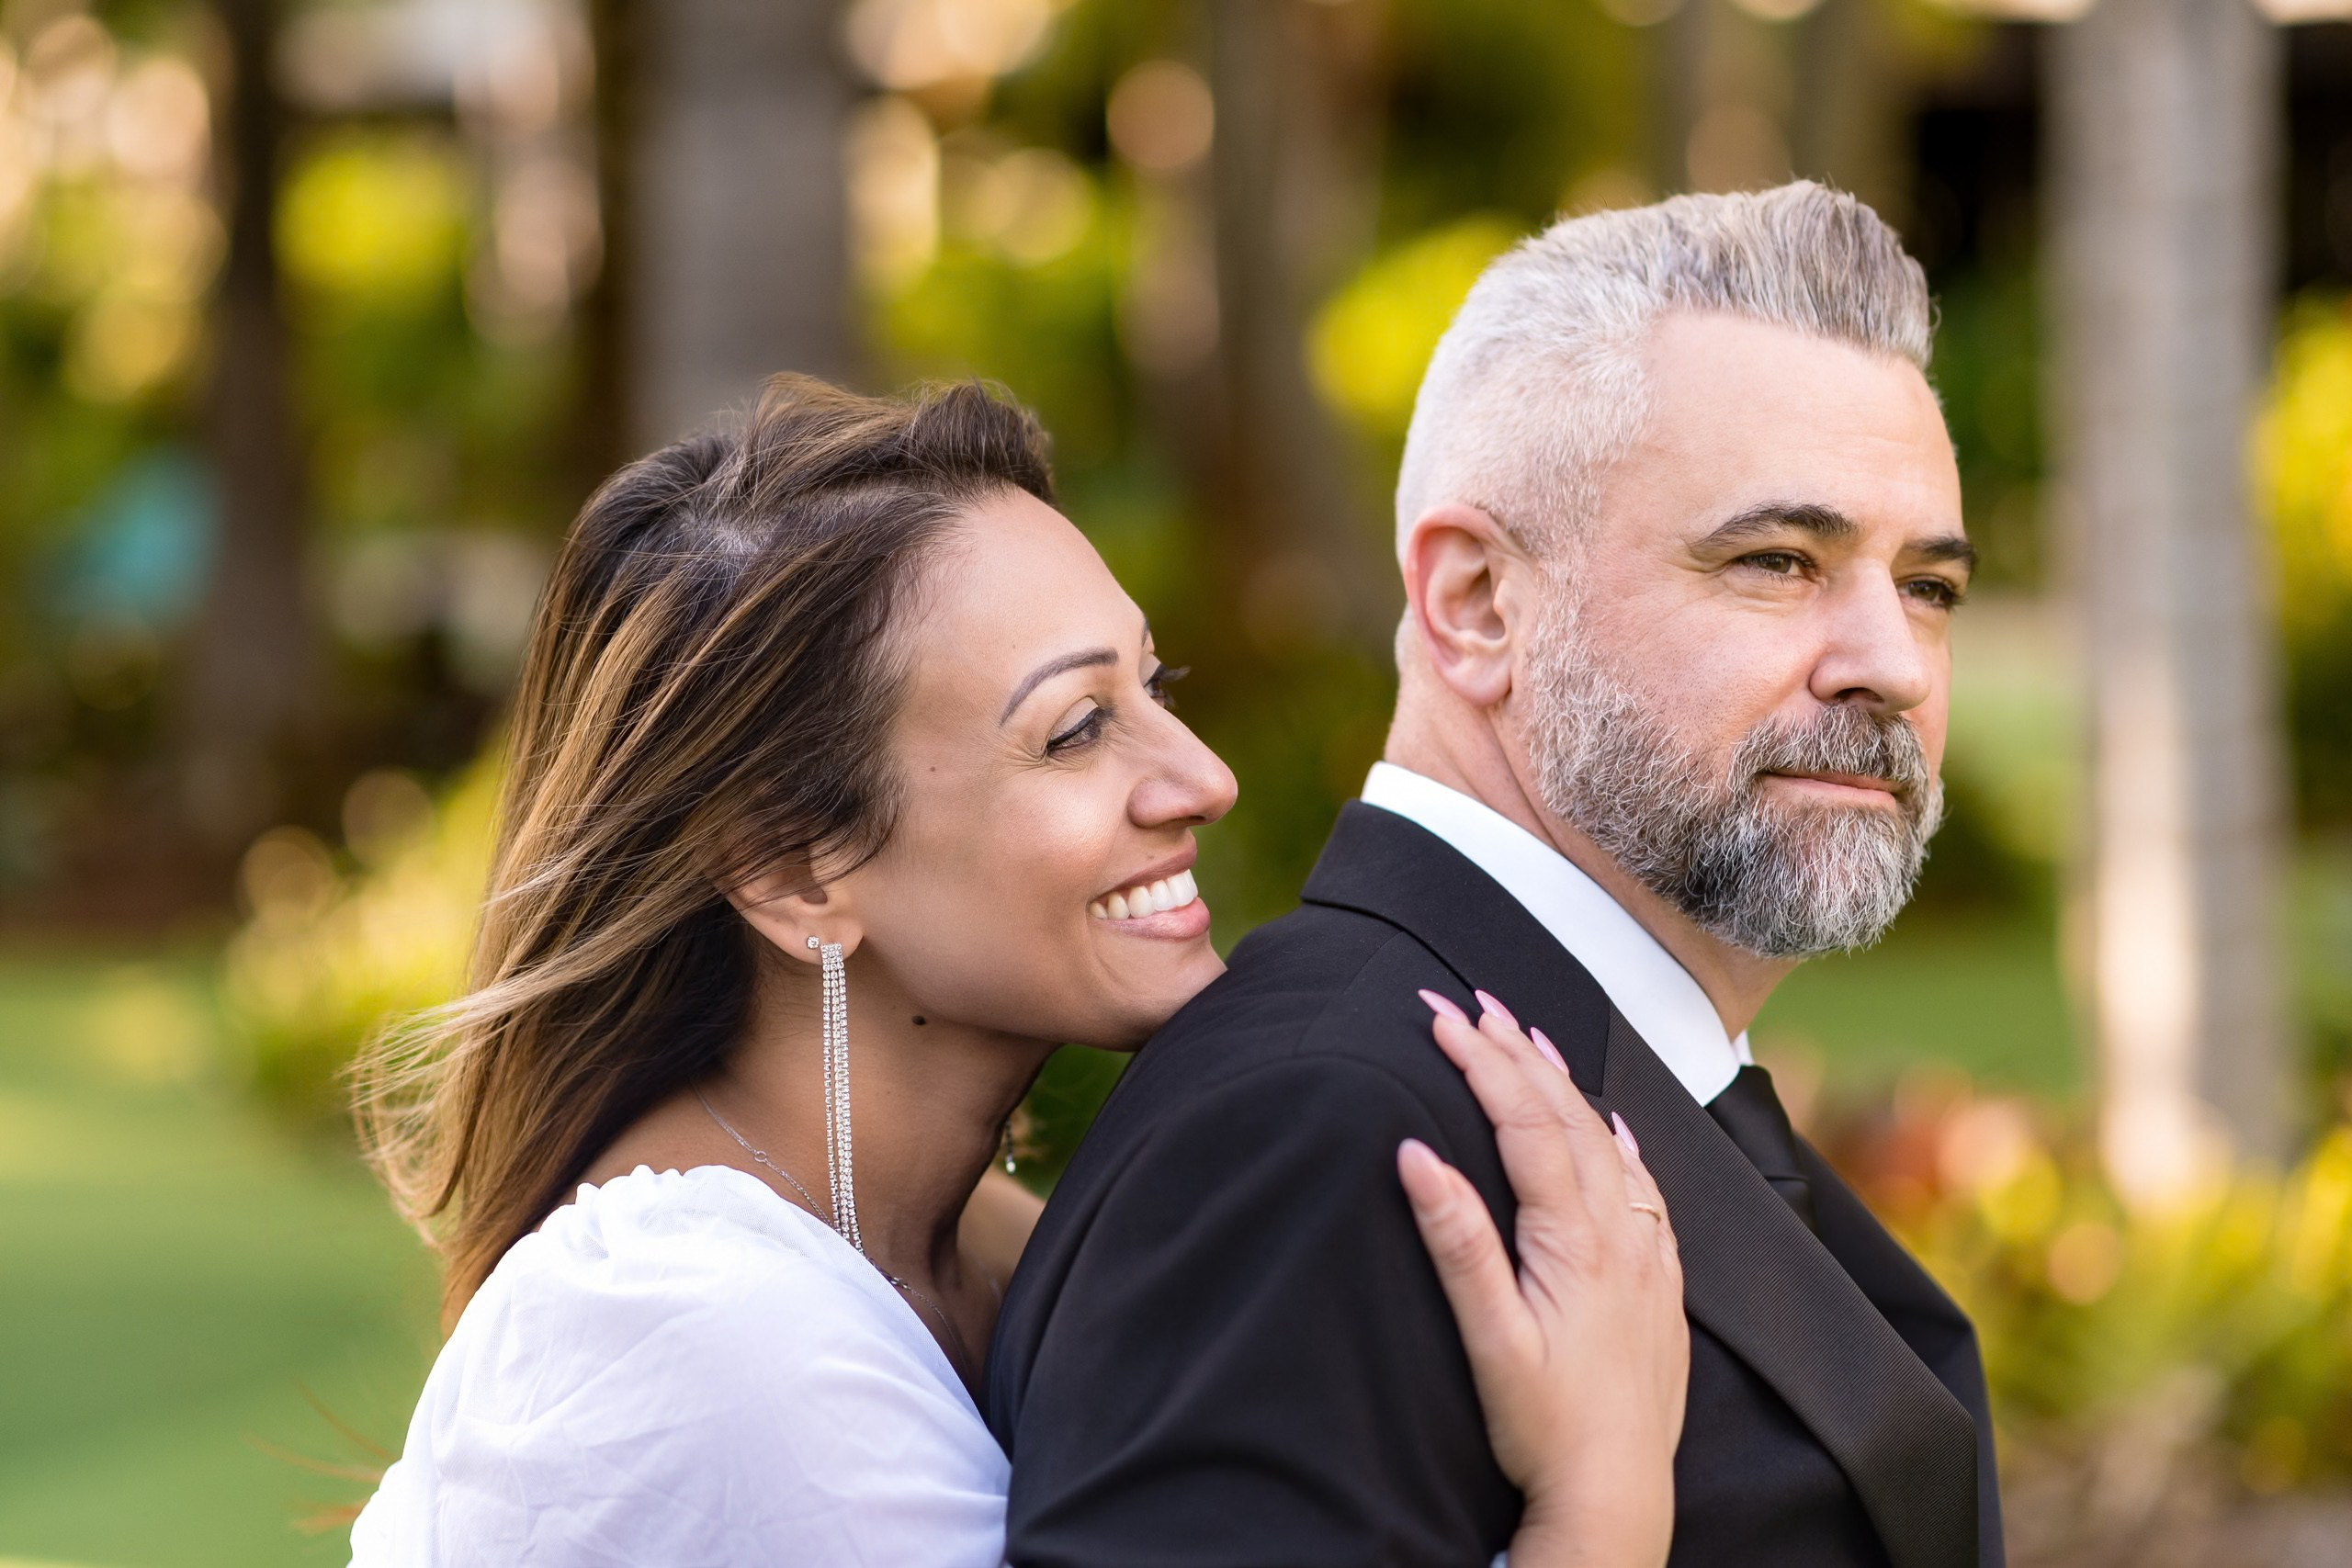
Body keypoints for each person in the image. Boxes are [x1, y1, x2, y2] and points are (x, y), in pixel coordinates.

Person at [345, 375, 1689, 1566]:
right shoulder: (698, 1337)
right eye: (1076, 729)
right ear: (795, 871)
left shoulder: (975, 1245)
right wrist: (1598, 1505)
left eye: (1157, 686)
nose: (1203, 780)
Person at [987, 181, 2002, 1568]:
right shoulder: (1322, 1135)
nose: (1889, 661)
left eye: (1929, 587)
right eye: (1777, 560)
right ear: (1475, 603)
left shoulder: (1576, 1059)